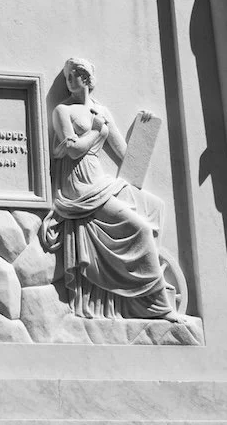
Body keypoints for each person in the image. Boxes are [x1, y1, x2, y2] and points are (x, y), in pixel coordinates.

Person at [48, 55, 189, 325]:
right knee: (141, 228)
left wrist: (143, 125)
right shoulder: (62, 112)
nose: (69, 78)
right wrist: (98, 134)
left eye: (74, 73)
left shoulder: (102, 113)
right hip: (79, 186)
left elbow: (125, 155)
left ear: (87, 78)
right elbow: (74, 150)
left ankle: (138, 279)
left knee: (154, 207)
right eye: (67, 74)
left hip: (100, 182)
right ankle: (157, 306)